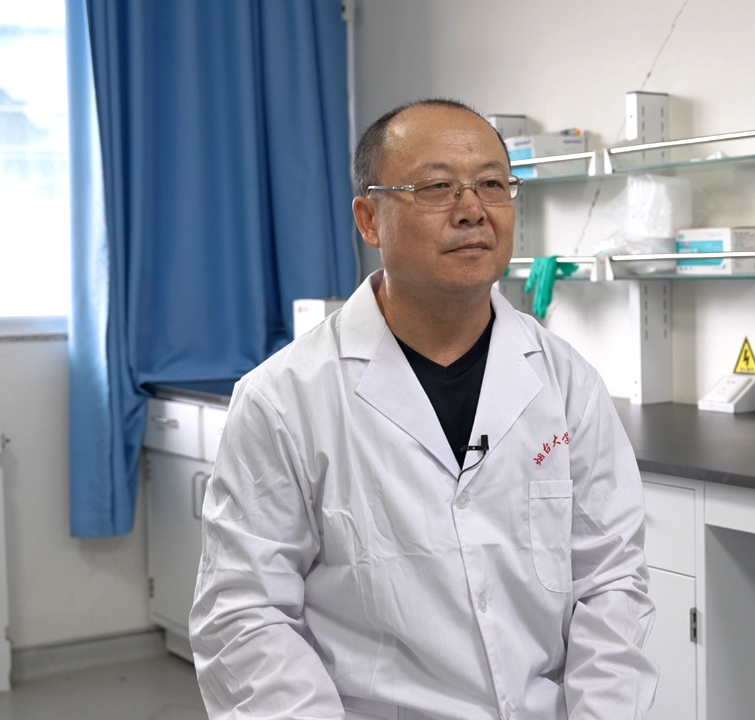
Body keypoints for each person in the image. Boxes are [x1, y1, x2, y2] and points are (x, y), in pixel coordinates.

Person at [189, 99, 658, 720]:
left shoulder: (567, 383)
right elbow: (245, 614)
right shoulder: (284, 398)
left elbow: (611, 582)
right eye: (437, 188)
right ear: (369, 220)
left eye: (493, 185)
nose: (473, 209)